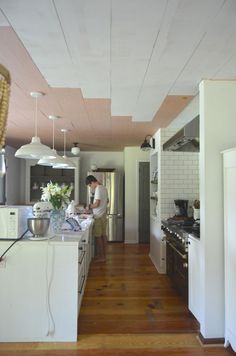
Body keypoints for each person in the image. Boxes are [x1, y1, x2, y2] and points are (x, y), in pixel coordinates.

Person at [85, 175, 108, 262]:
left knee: (98, 237)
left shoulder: (98, 188)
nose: (91, 188)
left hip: (98, 216)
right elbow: (107, 201)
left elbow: (97, 204)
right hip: (103, 214)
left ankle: (101, 257)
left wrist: (89, 206)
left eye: (90, 185)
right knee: (103, 235)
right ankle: (103, 255)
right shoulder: (104, 188)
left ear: (92, 182)